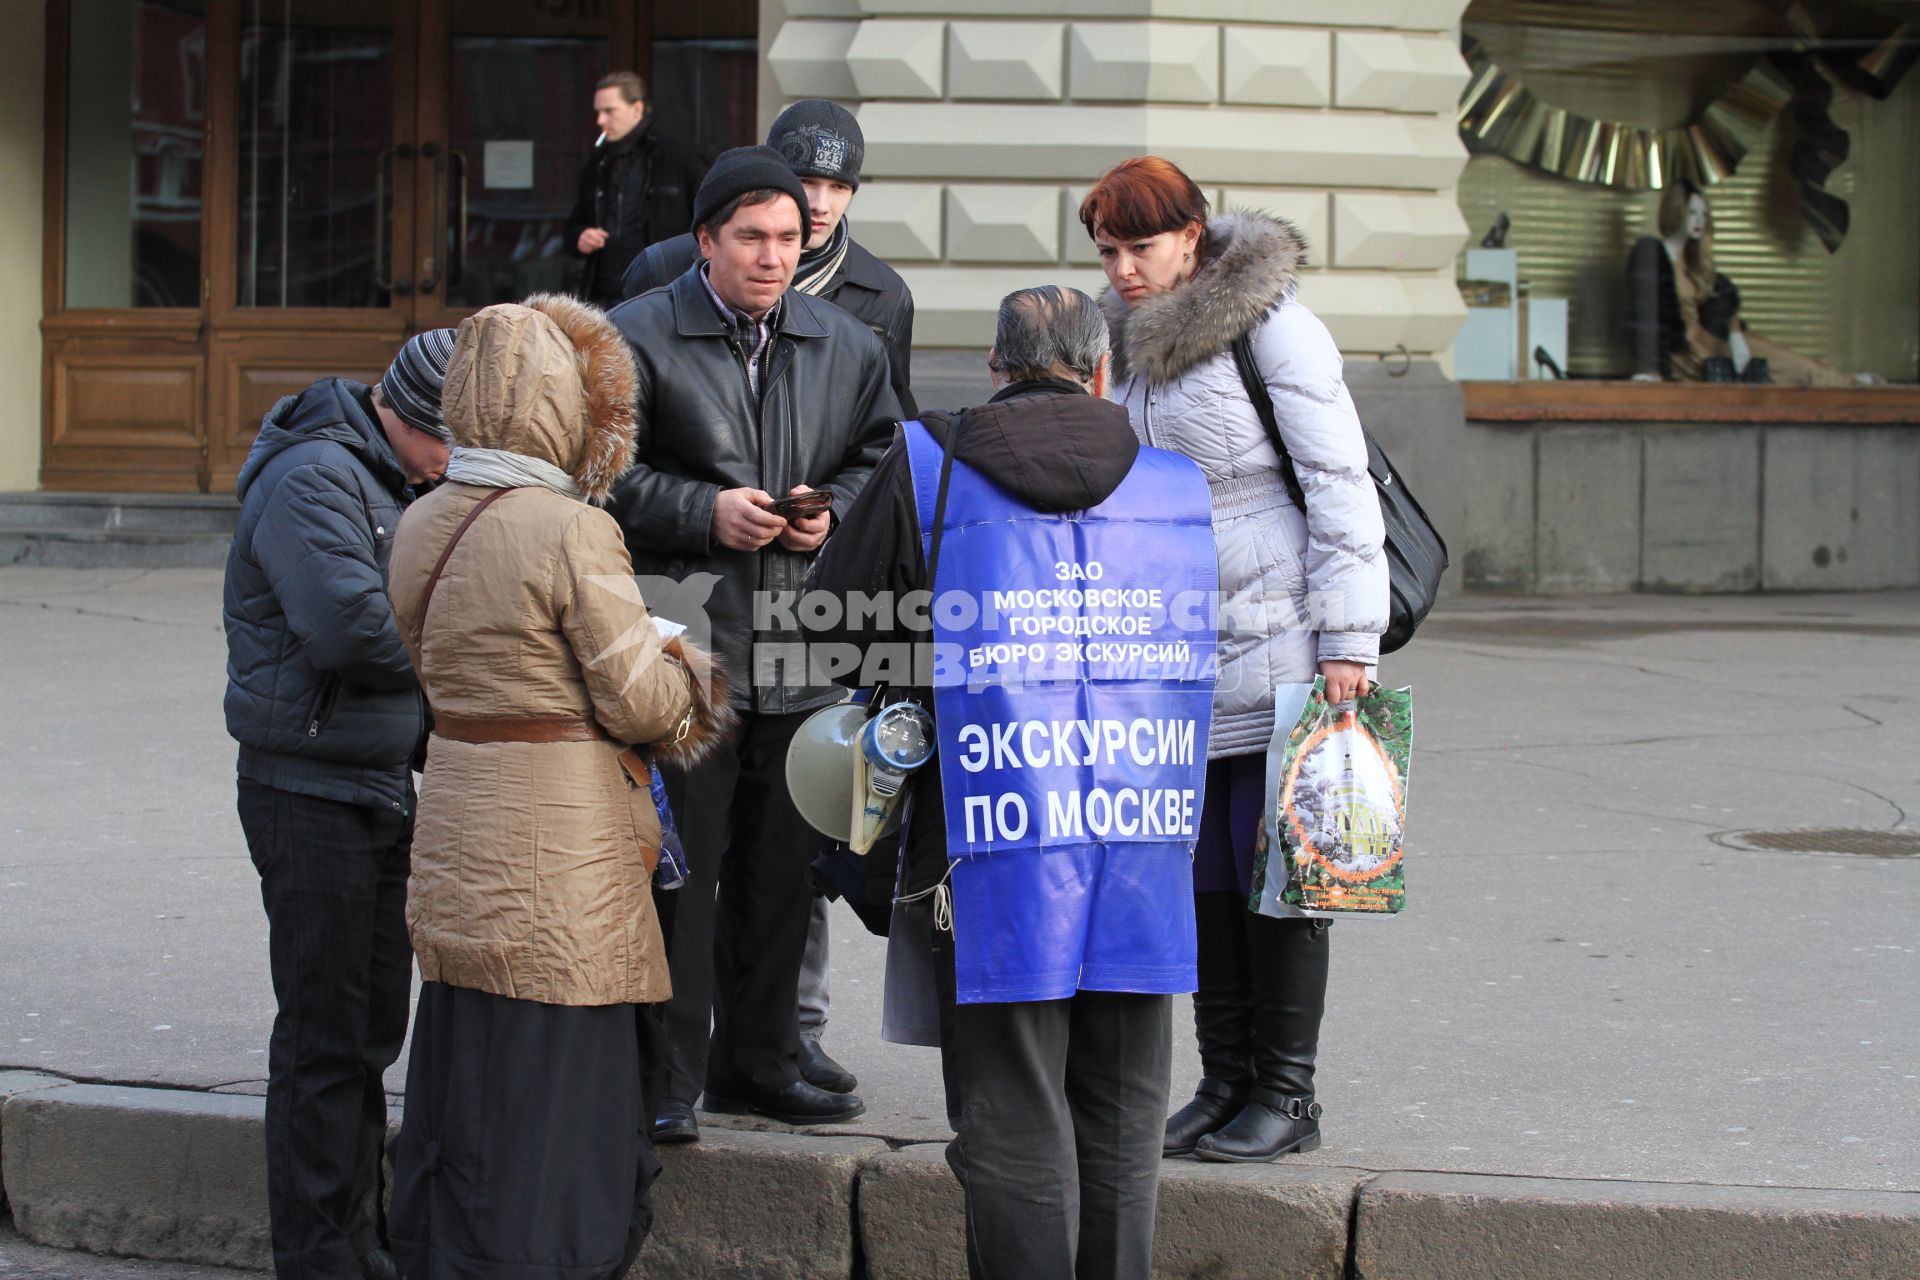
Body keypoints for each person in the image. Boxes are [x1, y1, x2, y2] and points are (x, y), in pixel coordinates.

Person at [804, 285, 1219, 1280]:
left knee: (1009, 1109)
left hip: (984, 837)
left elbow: (832, 620)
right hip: (1139, 827)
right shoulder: (1174, 484)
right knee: (1122, 1106)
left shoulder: (926, 466)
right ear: (1104, 370)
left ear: (994, 369)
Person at [384, 294, 735, 1280]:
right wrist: (692, 671)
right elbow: (640, 701)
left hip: (460, 812)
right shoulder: (570, 531)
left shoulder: (421, 521)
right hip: (562, 844)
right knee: (558, 1074)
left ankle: (445, 1249)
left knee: (470, 1055)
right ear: (562, 406)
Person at [1081, 156, 1389, 1162]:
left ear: (1193, 234)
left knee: (1284, 870)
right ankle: (1223, 1082)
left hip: (1287, 638)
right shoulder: (1122, 342)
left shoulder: (1272, 326)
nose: (1124, 267)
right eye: (1108, 250)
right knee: (1205, 869)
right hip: (1178, 649)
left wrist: (1350, 643)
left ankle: (1288, 1095)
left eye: (1141, 245)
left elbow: (1341, 484)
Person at [605, 145, 900, 1143]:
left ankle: (761, 1060)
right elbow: (597, 475)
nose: (776, 255)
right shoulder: (636, 334)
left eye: (789, 236)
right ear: (705, 241)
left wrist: (838, 513)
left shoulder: (844, 340)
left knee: (786, 865)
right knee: (680, 870)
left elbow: (879, 457)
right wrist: (702, 510)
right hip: (685, 632)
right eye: (753, 237)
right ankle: (665, 1073)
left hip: (804, 634)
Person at [222, 329, 455, 1280]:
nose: (462, 469)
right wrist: (480, 646)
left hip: (369, 779)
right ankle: (320, 1256)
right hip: (305, 786)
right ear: (407, 419)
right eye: (456, 446)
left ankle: (360, 1238)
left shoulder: (389, 480)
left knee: (365, 1031)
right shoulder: (314, 475)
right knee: (324, 1038)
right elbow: (353, 633)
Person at [623, 99, 917, 417]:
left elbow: (888, 431)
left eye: (839, 187)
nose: (821, 204)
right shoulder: (662, 268)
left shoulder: (885, 295)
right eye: (806, 182)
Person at [1625, 178, 1860, 386]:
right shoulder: (1654, 259)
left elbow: (1723, 302)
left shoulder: (1693, 262)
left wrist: (1735, 336)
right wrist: (1652, 370)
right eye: (1692, 213)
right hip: (1691, 354)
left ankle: (1850, 384)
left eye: (1704, 214)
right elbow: (1644, 318)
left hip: (1712, 342)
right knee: (1791, 368)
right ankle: (1854, 386)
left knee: (1788, 363)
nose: (1699, 221)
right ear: (1676, 212)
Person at [565, 70, 708, 308]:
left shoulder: (678, 157)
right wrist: (580, 236)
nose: (600, 121)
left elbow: (710, 220)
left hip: (666, 290)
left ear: (637, 109)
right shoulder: (598, 164)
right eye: (598, 112)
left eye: (609, 111)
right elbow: (572, 227)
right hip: (606, 293)